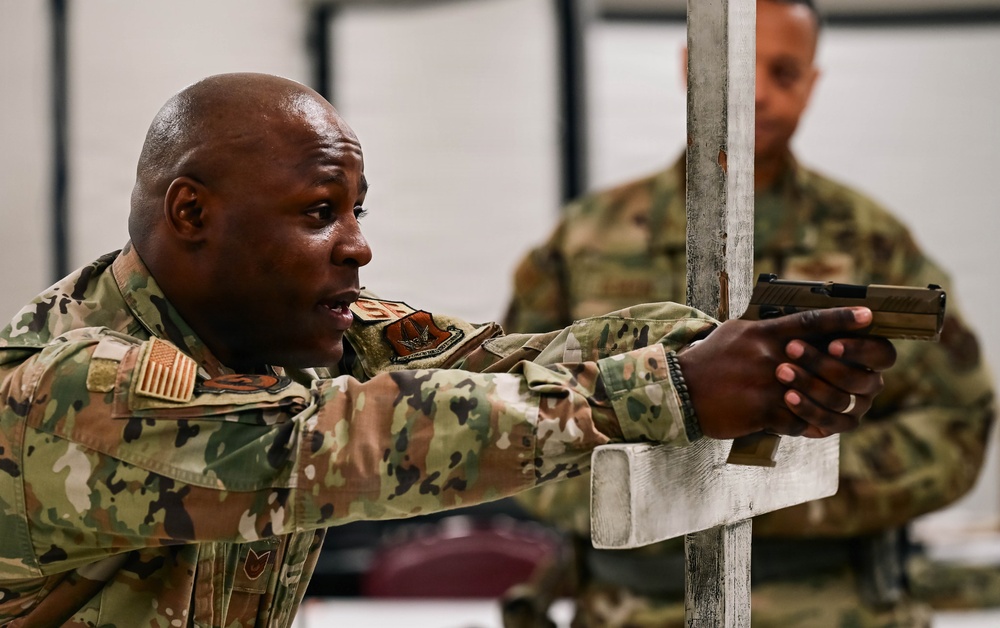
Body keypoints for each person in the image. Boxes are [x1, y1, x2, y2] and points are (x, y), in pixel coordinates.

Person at [0, 73, 895, 627]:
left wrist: (741, 353)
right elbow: (317, 447)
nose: (357, 244)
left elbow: (506, 363)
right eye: (319, 213)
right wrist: (671, 391)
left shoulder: (289, 336)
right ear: (191, 214)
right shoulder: (72, 387)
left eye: (359, 210)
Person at [503, 0, 996, 626]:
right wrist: (654, 485)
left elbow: (960, 418)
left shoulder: (871, 242)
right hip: (633, 605)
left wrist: (794, 481)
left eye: (784, 73)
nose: (757, 94)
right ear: (691, 66)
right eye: (738, 70)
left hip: (830, 605)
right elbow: (516, 408)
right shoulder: (583, 242)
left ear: (813, 84)